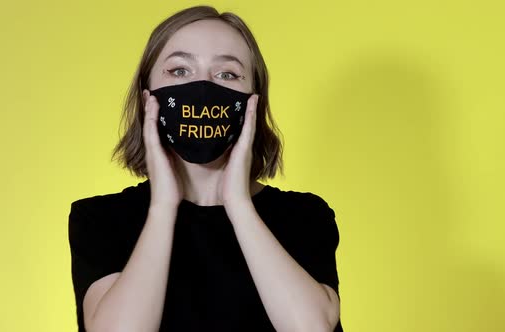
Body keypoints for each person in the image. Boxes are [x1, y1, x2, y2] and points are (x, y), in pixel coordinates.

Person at [68, 5, 343, 332]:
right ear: (147, 97)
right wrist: (162, 207)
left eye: (227, 74)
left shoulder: (304, 215)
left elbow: (311, 329)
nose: (202, 88)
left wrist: (239, 204)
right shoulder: (101, 218)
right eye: (179, 71)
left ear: (253, 101)